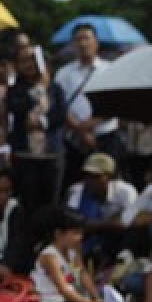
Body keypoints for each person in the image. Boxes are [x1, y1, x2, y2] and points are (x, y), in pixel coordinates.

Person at [30, 207, 140, 302]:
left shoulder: (72, 252)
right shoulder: (50, 257)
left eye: (81, 233)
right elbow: (64, 290)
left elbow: (82, 274)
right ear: (59, 234)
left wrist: (96, 297)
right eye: (75, 233)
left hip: (72, 296)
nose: (80, 237)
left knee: (106, 296)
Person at [55, 23, 122, 193]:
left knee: (108, 184)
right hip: (74, 140)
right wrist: (80, 130)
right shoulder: (63, 73)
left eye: (87, 38)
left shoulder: (111, 69)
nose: (83, 43)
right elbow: (59, 104)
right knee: (74, 185)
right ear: (73, 45)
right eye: (78, 39)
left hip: (105, 136)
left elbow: (116, 103)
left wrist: (89, 126)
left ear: (96, 43)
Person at [6, 45, 67, 214]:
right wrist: (39, 89)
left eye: (33, 59)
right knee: (28, 204)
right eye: (24, 60)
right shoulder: (15, 90)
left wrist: (42, 122)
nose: (29, 64)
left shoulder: (55, 88)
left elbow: (61, 115)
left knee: (50, 205)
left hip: (52, 155)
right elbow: (18, 109)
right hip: (25, 156)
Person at [62, 152, 139, 267]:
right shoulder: (77, 191)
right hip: (90, 237)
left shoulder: (126, 192)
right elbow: (72, 224)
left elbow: (131, 221)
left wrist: (95, 224)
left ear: (110, 177)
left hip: (118, 239)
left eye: (96, 177)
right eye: (87, 176)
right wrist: (112, 222)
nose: (90, 181)